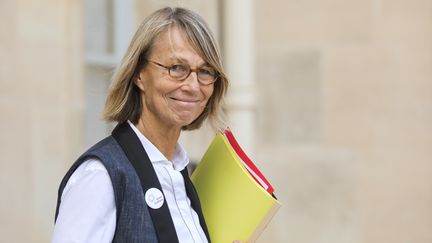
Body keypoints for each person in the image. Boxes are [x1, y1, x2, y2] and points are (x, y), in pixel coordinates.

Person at [52, 6, 243, 243]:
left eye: (205, 71)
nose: (193, 86)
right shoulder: (100, 176)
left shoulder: (183, 178)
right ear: (139, 74)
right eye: (177, 68)